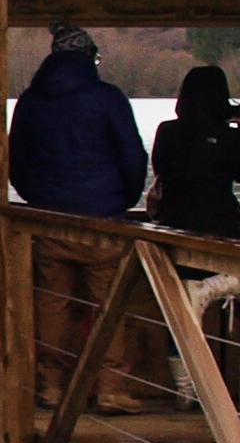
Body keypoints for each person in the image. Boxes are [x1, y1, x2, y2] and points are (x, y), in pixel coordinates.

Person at [10, 23, 150, 410]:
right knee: (109, 305)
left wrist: (36, 198)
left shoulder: (30, 102)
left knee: (52, 304)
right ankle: (110, 387)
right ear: (90, 57)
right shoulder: (107, 98)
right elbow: (133, 156)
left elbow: (15, 161)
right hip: (102, 217)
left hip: (49, 218)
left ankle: (51, 385)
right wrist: (122, 198)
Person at [148, 63, 240, 402]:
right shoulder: (228, 136)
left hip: (173, 227)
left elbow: (160, 168)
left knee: (180, 304)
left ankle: (186, 389)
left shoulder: (167, 132)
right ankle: (216, 285)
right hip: (220, 227)